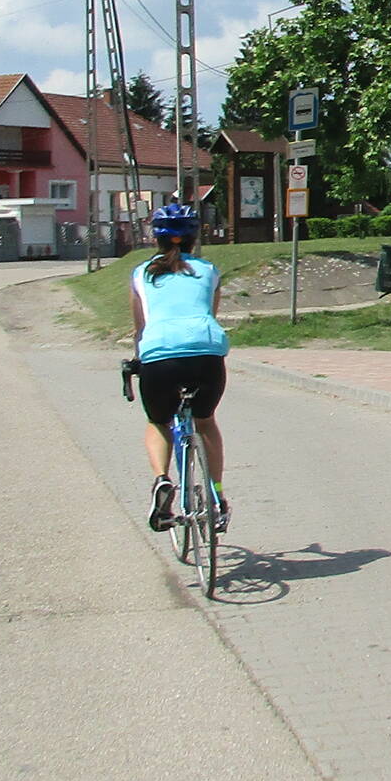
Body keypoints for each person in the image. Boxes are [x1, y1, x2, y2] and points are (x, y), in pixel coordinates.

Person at [129, 201, 231, 533]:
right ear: (194, 237)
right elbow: (210, 315)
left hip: (160, 357)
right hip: (205, 356)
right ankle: (216, 495)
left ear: (155, 237)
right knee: (205, 422)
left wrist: (138, 358)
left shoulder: (141, 274)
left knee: (158, 422)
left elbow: (140, 328)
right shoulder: (209, 270)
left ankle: (162, 479)